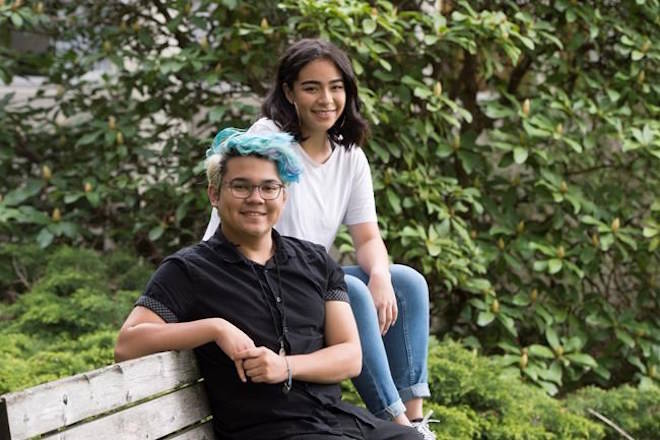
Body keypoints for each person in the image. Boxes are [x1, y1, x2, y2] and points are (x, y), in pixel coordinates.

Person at [115, 129, 422, 440]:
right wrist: (215, 328)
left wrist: (285, 366)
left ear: (284, 196)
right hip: (269, 431)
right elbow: (127, 344)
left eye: (268, 187)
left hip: (338, 421)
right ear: (214, 195)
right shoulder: (189, 269)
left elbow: (349, 357)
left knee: (410, 438)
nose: (256, 198)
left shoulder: (315, 261)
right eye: (241, 186)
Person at [203, 39, 435, 439]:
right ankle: (394, 420)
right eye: (312, 87)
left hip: (308, 278)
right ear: (289, 92)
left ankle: (416, 419)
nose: (326, 99)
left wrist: (379, 274)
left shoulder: (348, 155)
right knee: (352, 292)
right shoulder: (269, 138)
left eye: (336, 86)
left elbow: (367, 237)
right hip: (257, 277)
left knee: (405, 282)